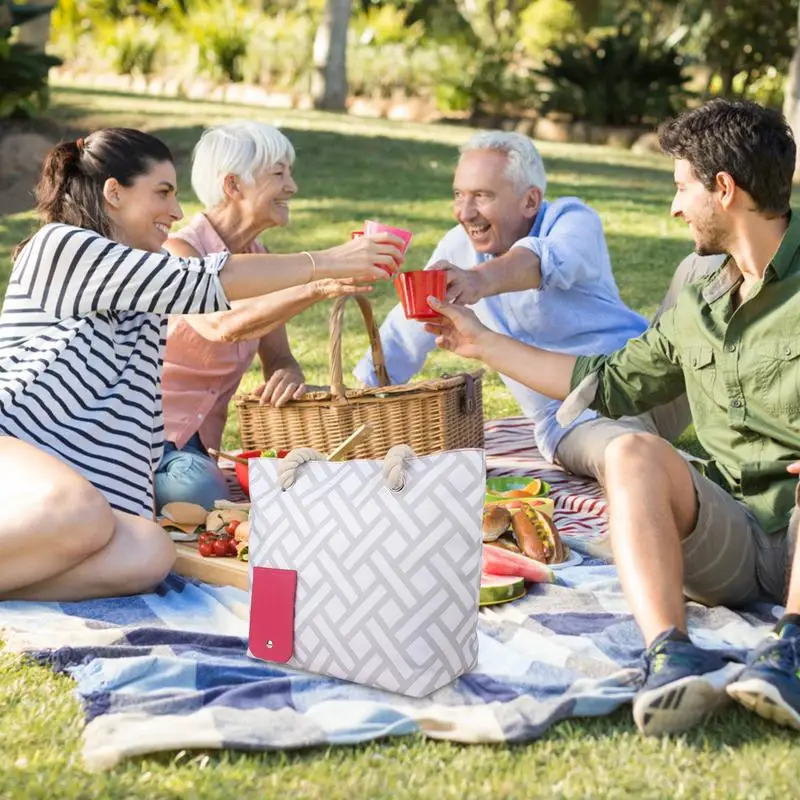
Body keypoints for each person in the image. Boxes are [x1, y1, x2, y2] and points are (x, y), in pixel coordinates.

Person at [426, 99, 800, 737]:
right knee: (629, 452)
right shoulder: (700, 286)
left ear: (725, 189)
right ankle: (671, 656)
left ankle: (789, 655)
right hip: (734, 530)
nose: (675, 206)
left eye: (682, 188)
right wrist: (479, 342)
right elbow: (611, 381)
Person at [0, 127, 403, 602]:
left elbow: (142, 422)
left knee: (150, 551)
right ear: (114, 193)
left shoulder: (143, 300)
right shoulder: (62, 246)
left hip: (75, 495)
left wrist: (139, 506)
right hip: (15, 451)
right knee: (80, 511)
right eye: (163, 193)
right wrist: (329, 261)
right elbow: (201, 282)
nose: (176, 210)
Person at [353, 131, 690, 482]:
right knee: (632, 459)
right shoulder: (457, 248)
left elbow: (542, 261)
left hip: (649, 379)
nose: (464, 212)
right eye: (458, 195)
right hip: (575, 419)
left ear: (530, 201)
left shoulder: (573, 219)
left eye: (482, 196)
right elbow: (407, 329)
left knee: (697, 269)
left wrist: (477, 280)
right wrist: (359, 395)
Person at [155, 121, 373, 511]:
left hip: (203, 446)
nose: (292, 187)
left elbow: (278, 357)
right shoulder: (178, 252)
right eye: (278, 174)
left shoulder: (259, 256)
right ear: (233, 186)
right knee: (198, 496)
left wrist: (288, 373)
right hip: (153, 437)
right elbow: (221, 324)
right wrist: (317, 284)